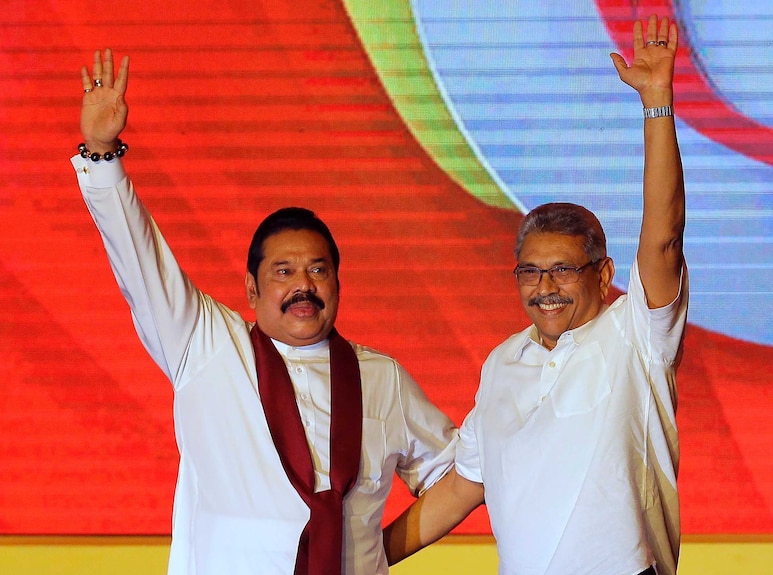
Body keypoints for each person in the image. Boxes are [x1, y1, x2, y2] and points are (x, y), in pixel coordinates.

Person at [72, 49, 458, 575]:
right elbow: (140, 264)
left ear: (339, 283)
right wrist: (102, 153)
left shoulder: (382, 378)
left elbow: (459, 476)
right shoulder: (205, 344)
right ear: (251, 289)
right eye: (283, 272)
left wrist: (373, 554)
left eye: (318, 271)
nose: (303, 285)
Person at [383, 14, 688, 575]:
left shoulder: (636, 337)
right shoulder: (503, 363)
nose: (545, 288)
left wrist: (657, 104)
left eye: (564, 270)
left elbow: (664, 238)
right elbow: (462, 487)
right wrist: (364, 558)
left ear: (603, 275)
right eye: (530, 272)